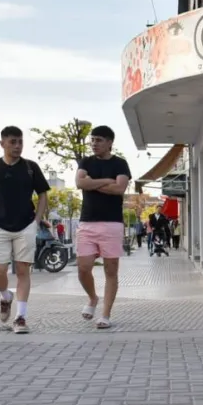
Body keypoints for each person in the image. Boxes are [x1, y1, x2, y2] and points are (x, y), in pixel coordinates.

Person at [0, 126, 51, 334]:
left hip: (25, 225)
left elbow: (43, 195)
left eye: (20, 142)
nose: (17, 146)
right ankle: (5, 296)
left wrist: (36, 221)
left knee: (23, 271)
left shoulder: (30, 167)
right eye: (12, 142)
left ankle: (20, 317)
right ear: (2, 144)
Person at [75, 125, 132, 330]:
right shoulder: (86, 162)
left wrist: (93, 183)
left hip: (112, 223)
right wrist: (107, 181)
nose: (94, 144)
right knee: (83, 268)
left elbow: (119, 188)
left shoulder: (120, 164)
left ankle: (105, 315)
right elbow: (80, 183)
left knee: (111, 270)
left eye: (99, 140)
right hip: (87, 222)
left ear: (109, 142)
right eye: (92, 140)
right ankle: (92, 298)